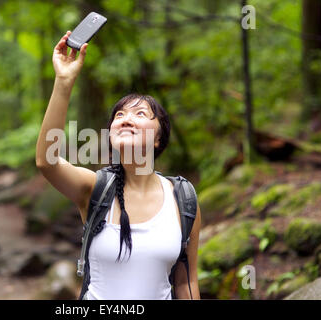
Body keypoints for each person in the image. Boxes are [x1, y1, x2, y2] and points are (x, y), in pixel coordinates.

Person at [35, 31, 201, 300]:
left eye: (140, 113)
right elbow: (47, 161)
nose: (125, 119)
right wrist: (64, 81)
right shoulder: (95, 189)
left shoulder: (184, 199)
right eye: (119, 114)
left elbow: (186, 284)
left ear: (158, 139)